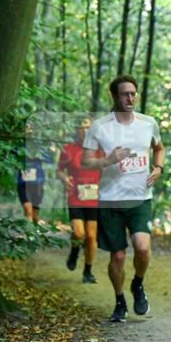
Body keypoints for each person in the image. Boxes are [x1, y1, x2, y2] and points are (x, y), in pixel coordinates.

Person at [82, 75, 165, 322]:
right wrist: (108, 160)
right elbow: (86, 161)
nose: (130, 98)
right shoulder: (100, 126)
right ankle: (120, 301)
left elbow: (159, 148)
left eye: (133, 94)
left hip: (140, 197)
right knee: (117, 256)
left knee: (143, 248)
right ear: (115, 96)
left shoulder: (148, 123)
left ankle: (138, 284)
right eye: (124, 94)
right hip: (110, 199)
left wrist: (158, 168)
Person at [58, 117, 101, 283]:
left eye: (88, 127)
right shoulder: (68, 149)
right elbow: (59, 171)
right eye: (82, 127)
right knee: (78, 233)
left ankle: (88, 272)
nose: (85, 130)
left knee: (91, 237)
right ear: (77, 130)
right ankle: (75, 250)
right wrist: (64, 178)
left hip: (94, 198)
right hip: (75, 196)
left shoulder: (100, 150)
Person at [17, 124, 54, 224]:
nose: (29, 131)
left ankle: (35, 231)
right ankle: (29, 237)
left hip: (38, 183)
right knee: (28, 211)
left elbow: (50, 161)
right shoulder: (18, 144)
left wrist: (51, 150)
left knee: (34, 214)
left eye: (31, 128)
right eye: (26, 128)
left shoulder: (40, 146)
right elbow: (12, 158)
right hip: (23, 183)